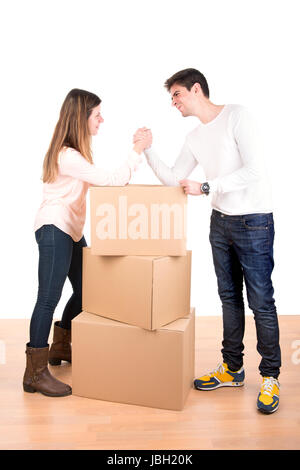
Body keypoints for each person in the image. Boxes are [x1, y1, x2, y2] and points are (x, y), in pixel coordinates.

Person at [134, 68, 281, 414]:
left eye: (177, 95)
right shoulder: (195, 137)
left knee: (260, 300)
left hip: (254, 221)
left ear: (196, 89)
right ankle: (232, 368)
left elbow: (255, 171)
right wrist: (148, 151)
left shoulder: (237, 117)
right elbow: (174, 177)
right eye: (171, 97)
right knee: (229, 298)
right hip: (220, 224)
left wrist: (206, 187)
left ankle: (270, 376)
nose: (174, 103)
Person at [24, 88, 144, 397]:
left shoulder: (75, 154)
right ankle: (35, 372)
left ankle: (61, 346)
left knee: (89, 289)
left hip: (71, 230)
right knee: (48, 298)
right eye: (97, 114)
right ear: (82, 117)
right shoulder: (68, 155)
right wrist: (136, 151)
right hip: (55, 228)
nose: (101, 119)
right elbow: (112, 179)